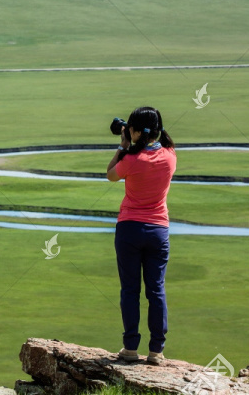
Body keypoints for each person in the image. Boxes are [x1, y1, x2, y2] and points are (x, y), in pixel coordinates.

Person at [106, 106, 176, 365]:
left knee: (130, 290)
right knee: (156, 290)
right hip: (159, 230)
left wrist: (124, 145)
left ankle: (130, 348)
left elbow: (111, 175)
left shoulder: (131, 160)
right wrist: (144, 132)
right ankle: (157, 351)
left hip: (130, 229)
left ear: (135, 131)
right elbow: (161, 140)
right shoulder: (170, 156)